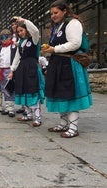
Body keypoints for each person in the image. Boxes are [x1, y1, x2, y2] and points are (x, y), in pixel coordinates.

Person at [42, 0, 93, 138]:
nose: (53, 15)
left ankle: (73, 128)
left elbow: (75, 43)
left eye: (56, 12)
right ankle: (64, 123)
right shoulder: (58, 26)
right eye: (51, 13)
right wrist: (50, 49)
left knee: (70, 94)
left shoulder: (73, 23)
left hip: (69, 64)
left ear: (64, 11)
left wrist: (55, 49)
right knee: (60, 94)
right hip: (58, 63)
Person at [8, 17, 45, 127]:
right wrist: (12, 70)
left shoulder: (34, 39)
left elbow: (36, 31)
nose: (20, 33)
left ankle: (38, 118)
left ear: (27, 30)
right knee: (24, 90)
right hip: (22, 69)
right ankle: (28, 114)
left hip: (32, 68)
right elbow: (17, 57)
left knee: (33, 91)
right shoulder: (20, 43)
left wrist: (24, 21)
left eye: (22, 30)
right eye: (18, 31)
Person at [0, 29, 17, 117]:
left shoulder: (13, 46)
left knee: (10, 89)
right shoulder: (0, 48)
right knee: (4, 89)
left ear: (10, 37)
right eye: (2, 37)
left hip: (10, 69)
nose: (4, 39)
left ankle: (11, 108)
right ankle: (7, 106)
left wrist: (12, 70)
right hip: (2, 70)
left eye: (6, 37)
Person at [10, 16, 25, 114]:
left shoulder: (23, 37)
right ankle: (22, 106)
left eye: (15, 23)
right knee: (18, 84)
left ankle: (26, 107)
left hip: (23, 62)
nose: (14, 26)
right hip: (14, 62)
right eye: (12, 25)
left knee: (24, 84)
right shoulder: (11, 37)